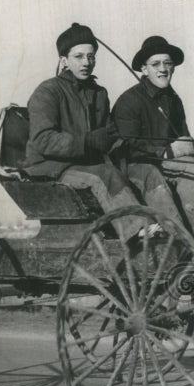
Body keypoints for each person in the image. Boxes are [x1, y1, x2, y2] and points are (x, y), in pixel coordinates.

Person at [23, 23, 147, 240]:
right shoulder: (48, 91)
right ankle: (139, 232)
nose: (86, 63)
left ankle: (168, 232)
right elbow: (43, 140)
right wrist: (87, 141)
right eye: (79, 56)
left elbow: (108, 135)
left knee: (145, 173)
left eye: (91, 56)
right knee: (105, 175)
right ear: (64, 60)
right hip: (51, 168)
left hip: (87, 167)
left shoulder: (99, 94)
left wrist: (124, 144)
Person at [112, 35, 194, 243]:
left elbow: (186, 141)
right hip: (141, 167)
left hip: (170, 162)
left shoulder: (173, 99)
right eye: (155, 64)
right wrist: (165, 152)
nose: (162, 69)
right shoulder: (129, 101)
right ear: (144, 69)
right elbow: (127, 145)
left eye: (167, 63)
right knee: (188, 166)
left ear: (173, 68)